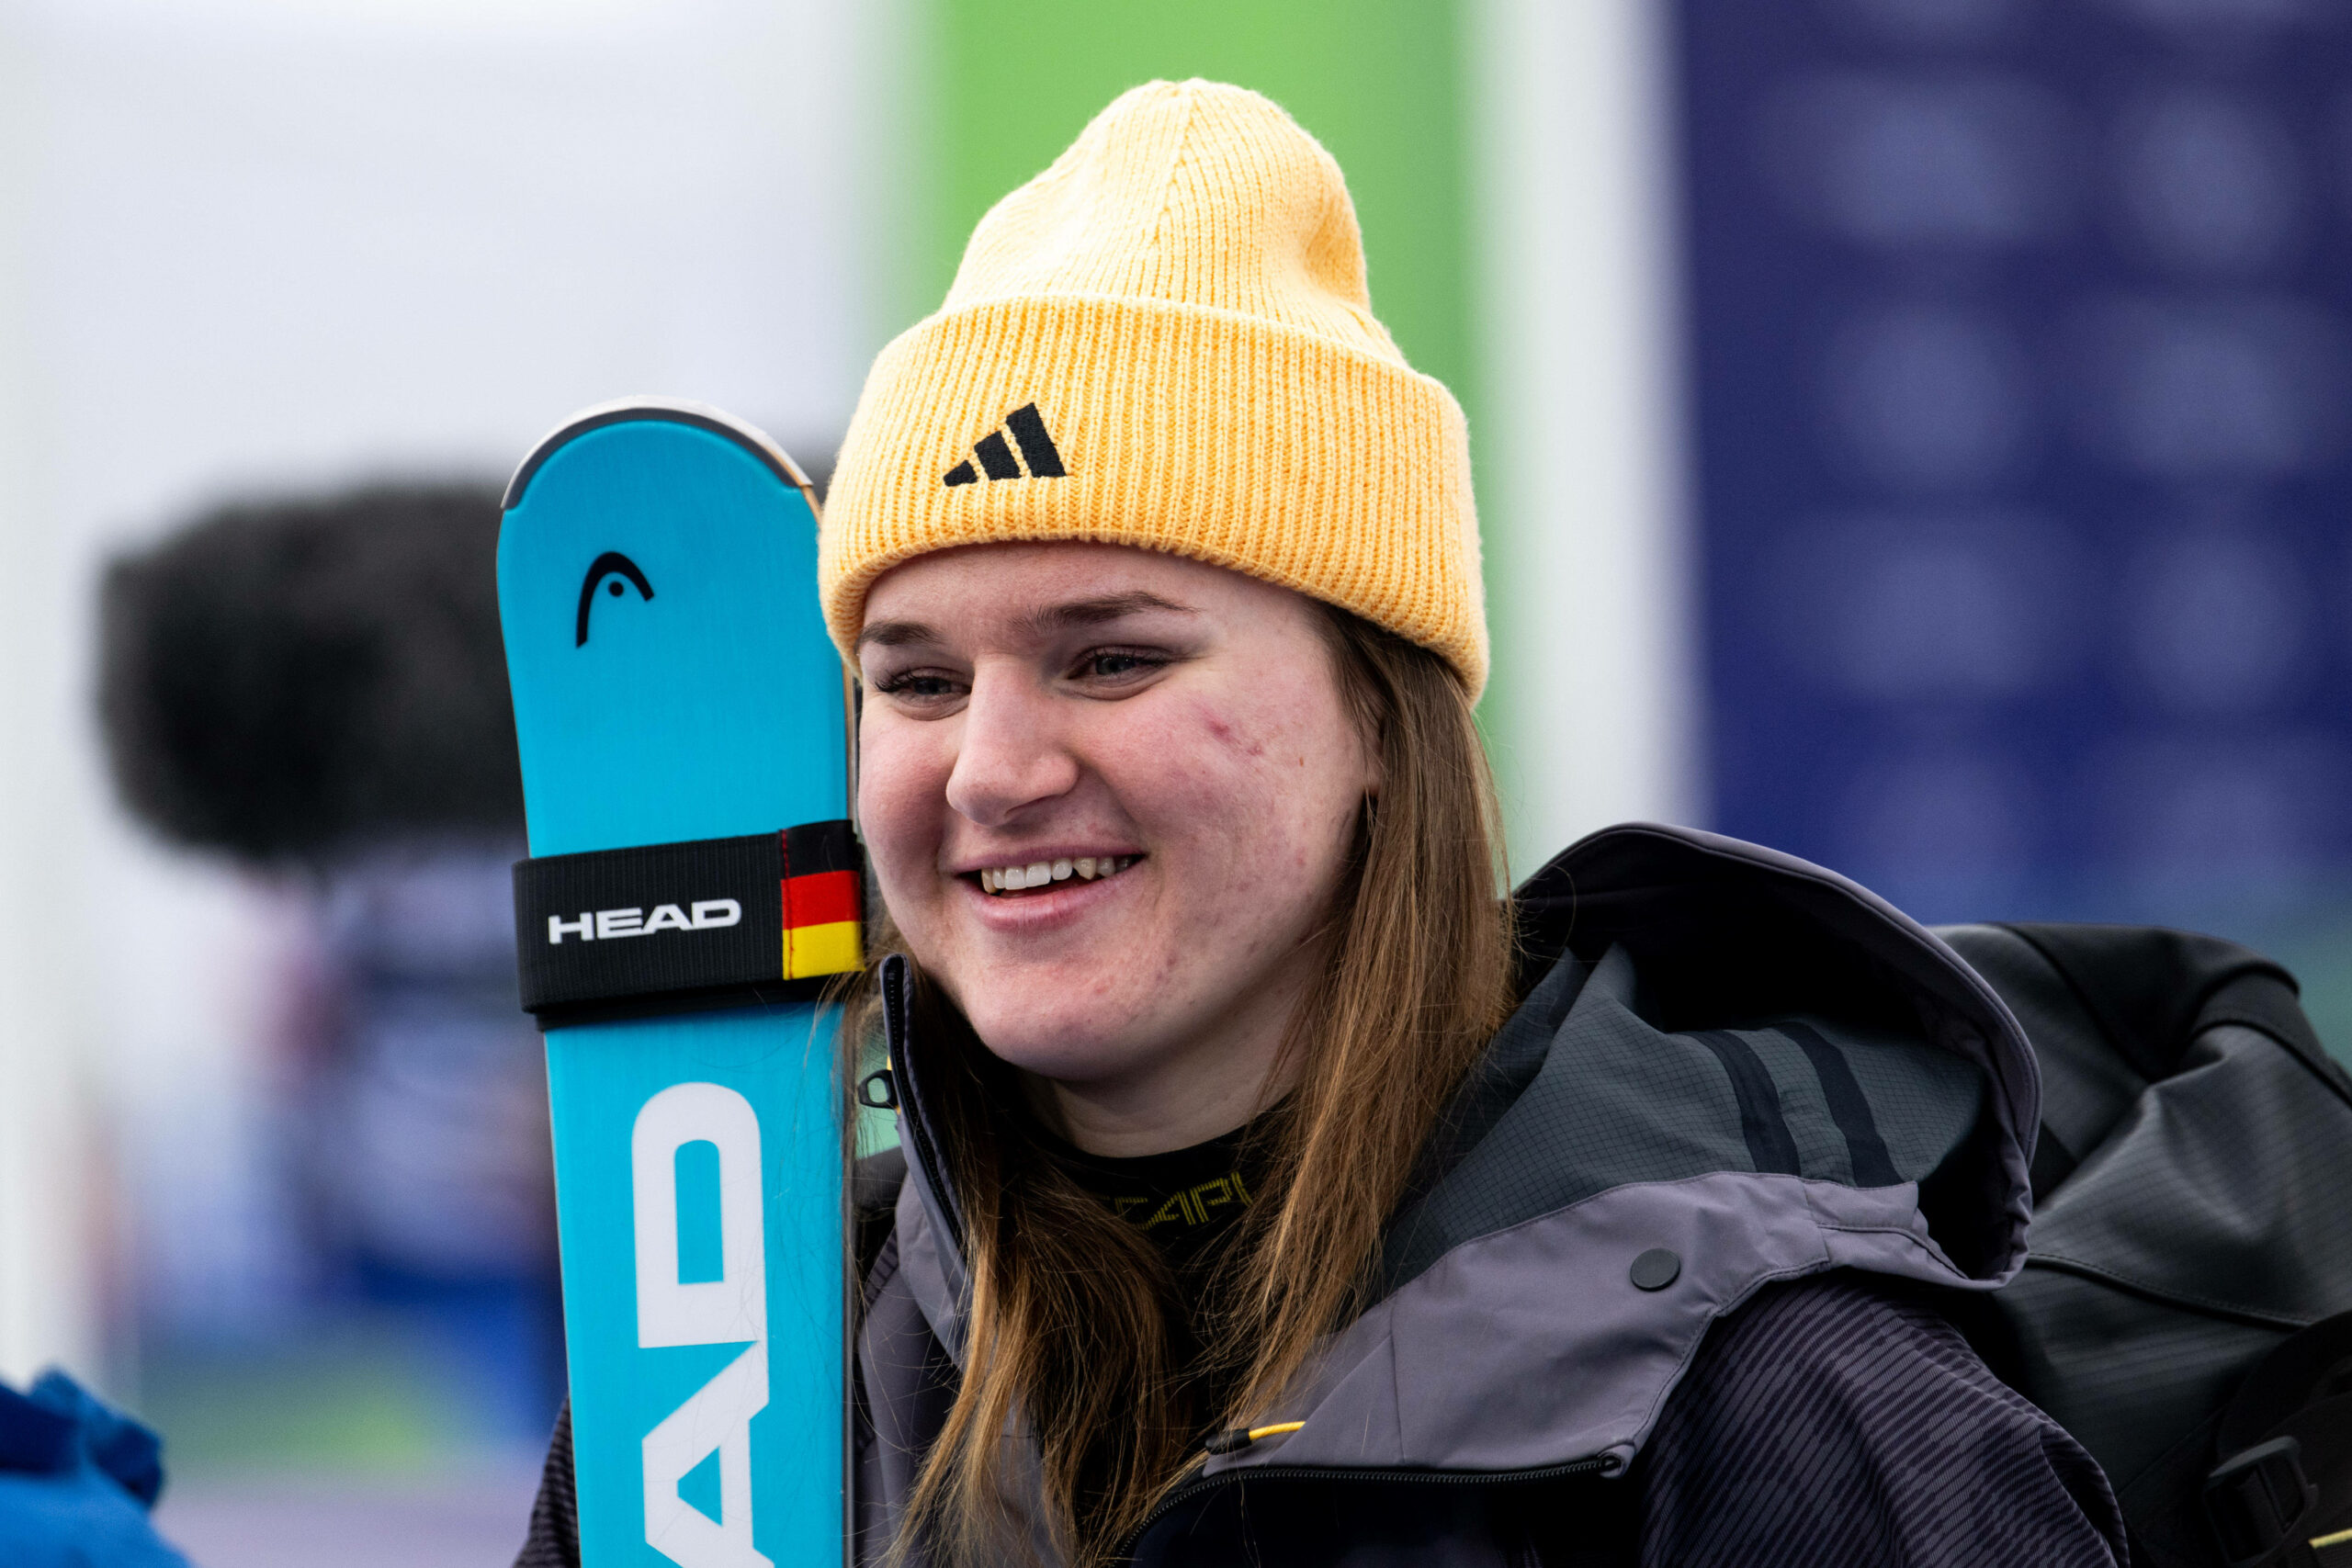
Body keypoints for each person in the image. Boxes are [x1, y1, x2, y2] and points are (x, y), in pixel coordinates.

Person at [519, 80, 2126, 1567]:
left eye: (1112, 658)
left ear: (1376, 715)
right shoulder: (744, 1389)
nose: (989, 772)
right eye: (917, 682)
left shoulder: (1777, 1402)